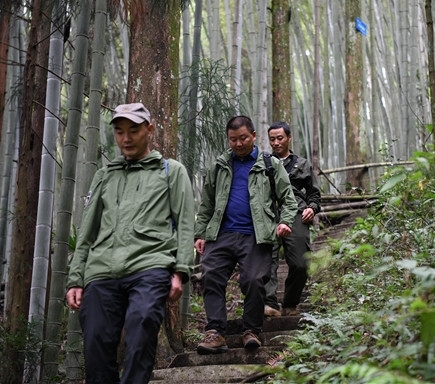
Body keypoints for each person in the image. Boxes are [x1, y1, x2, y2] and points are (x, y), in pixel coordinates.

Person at [65, 102, 195, 384]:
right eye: (119, 131)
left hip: (150, 264)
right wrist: (76, 279)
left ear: (149, 130)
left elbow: (185, 223)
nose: (126, 138)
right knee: (95, 342)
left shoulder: (170, 171)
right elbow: (87, 231)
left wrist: (181, 271)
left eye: (133, 130)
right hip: (101, 270)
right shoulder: (105, 175)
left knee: (141, 327)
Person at [194, 115, 298, 354]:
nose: (238, 144)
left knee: (253, 281)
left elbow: (288, 199)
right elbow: (207, 202)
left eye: (243, 138)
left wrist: (284, 222)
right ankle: (215, 332)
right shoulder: (220, 165)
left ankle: (252, 330)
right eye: (233, 139)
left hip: (255, 235)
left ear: (253, 136)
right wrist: (200, 233)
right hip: (221, 233)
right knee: (211, 276)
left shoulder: (270, 164)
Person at [264, 122, 321, 317]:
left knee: (300, 263)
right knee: (266, 260)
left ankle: (290, 302)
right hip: (269, 213)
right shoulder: (263, 163)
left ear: (289, 138)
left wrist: (312, 208)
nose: (276, 143)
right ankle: (269, 303)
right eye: (272, 139)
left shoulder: (302, 164)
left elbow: (314, 193)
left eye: (280, 138)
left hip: (296, 211)